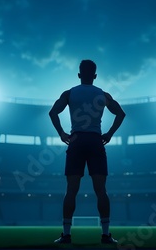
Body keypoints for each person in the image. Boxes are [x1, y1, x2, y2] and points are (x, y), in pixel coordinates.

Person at [49, 59, 126, 244]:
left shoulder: (69, 93)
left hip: (75, 140)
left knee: (71, 190)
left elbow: (53, 112)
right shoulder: (102, 94)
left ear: (78, 74)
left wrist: (61, 133)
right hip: (95, 140)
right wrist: (109, 134)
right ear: (95, 75)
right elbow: (121, 113)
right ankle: (106, 235)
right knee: (101, 190)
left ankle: (66, 235)